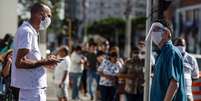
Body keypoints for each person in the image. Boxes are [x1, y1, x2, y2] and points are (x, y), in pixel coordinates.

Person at [11, 3, 60, 101]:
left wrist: (46, 61)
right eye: (48, 16)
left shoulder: (31, 32)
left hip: (33, 89)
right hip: (31, 91)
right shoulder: (27, 32)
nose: (49, 19)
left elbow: (30, 58)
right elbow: (19, 62)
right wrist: (44, 62)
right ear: (41, 15)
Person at [149, 20, 186, 101]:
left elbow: (174, 84)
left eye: (156, 29)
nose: (153, 33)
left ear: (166, 33)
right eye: (152, 30)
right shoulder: (162, 53)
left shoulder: (171, 52)